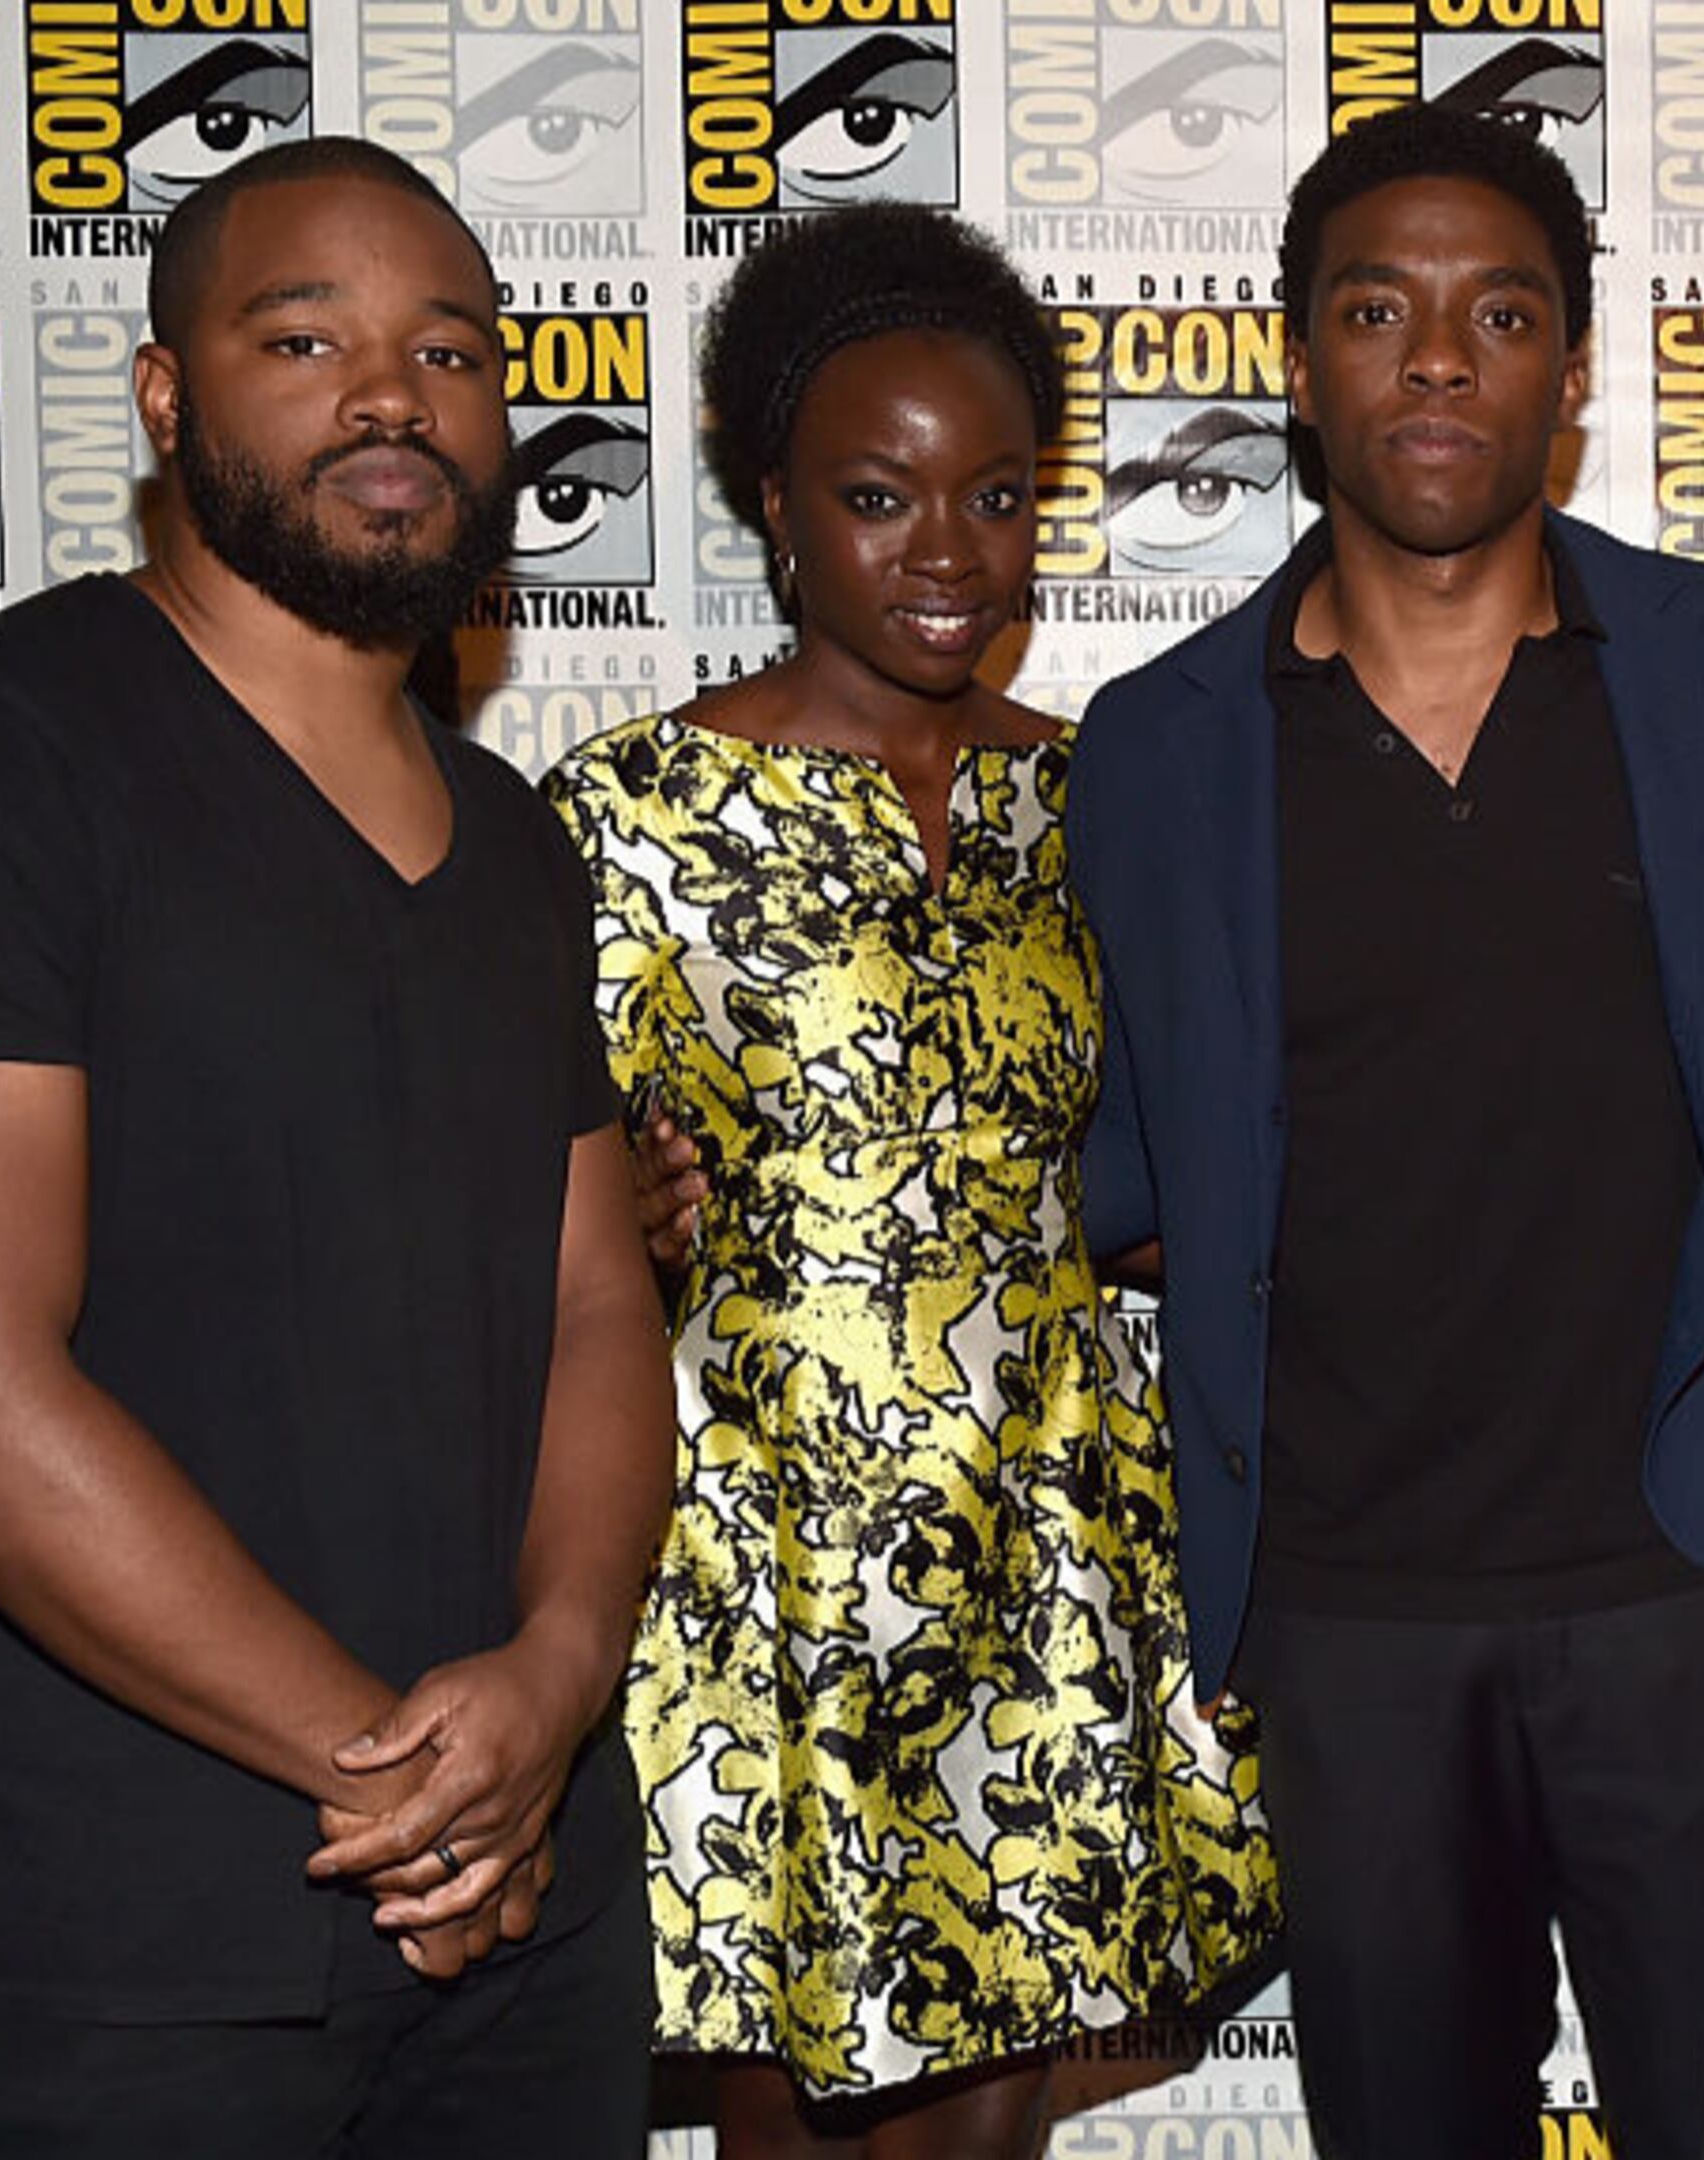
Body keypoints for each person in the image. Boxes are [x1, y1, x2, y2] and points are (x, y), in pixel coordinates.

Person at [0, 138, 671, 2158]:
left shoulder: (514, 853)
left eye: (448, 350)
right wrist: (413, 1788)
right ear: (165, 399)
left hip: (525, 1929)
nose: (391, 397)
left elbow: (597, 1300)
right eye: (302, 339)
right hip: (106, 1957)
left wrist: (561, 1682)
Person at [1064, 104, 1704, 2160]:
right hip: (1352, 1614)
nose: (1438, 360)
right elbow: (1130, 1170)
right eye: (1379, 310)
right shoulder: (1161, 752)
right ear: (1298, 360)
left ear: (1574, 367)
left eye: (1499, 315)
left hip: (1698, 1578)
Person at [545, 206, 1278, 2158]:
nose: (946, 551)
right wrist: (596, 1217)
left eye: (997, 495)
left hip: (1053, 1521)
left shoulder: (1100, 792)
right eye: (880, 495)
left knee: (992, 2114)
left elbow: (1181, 1142)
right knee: (826, 2093)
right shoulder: (632, 822)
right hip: (772, 1550)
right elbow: (494, 1204)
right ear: (773, 507)